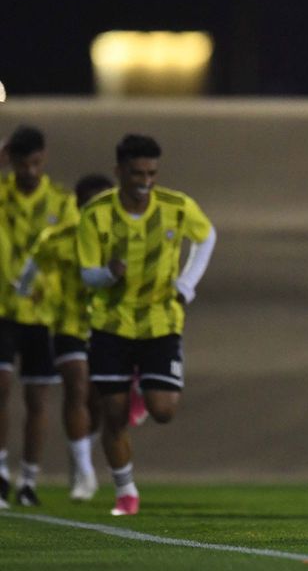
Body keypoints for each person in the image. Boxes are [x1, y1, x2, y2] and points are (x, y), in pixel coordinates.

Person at [77, 134, 216, 516]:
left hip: (160, 319)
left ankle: (143, 388)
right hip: (111, 323)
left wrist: (186, 285)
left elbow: (207, 238)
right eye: (137, 173)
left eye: (152, 173)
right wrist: (108, 274)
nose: (145, 181)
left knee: (164, 410)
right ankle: (126, 492)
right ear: (119, 171)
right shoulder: (96, 213)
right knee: (113, 415)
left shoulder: (175, 206)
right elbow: (87, 274)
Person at [16, 174, 115, 502]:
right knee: (76, 385)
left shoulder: (120, 240)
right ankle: (85, 472)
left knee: (99, 400)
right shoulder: (60, 238)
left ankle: (81, 453)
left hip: (107, 327)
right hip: (68, 325)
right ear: (79, 205)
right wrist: (27, 291)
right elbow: (32, 265)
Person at [0, 125, 78, 509]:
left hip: (42, 312)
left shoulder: (62, 202)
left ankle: (28, 479)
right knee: (0, 387)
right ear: (10, 160)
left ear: (43, 159)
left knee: (37, 398)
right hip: (1, 308)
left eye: (35, 162)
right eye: (21, 163)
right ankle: (0, 472)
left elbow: (71, 248)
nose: (29, 171)